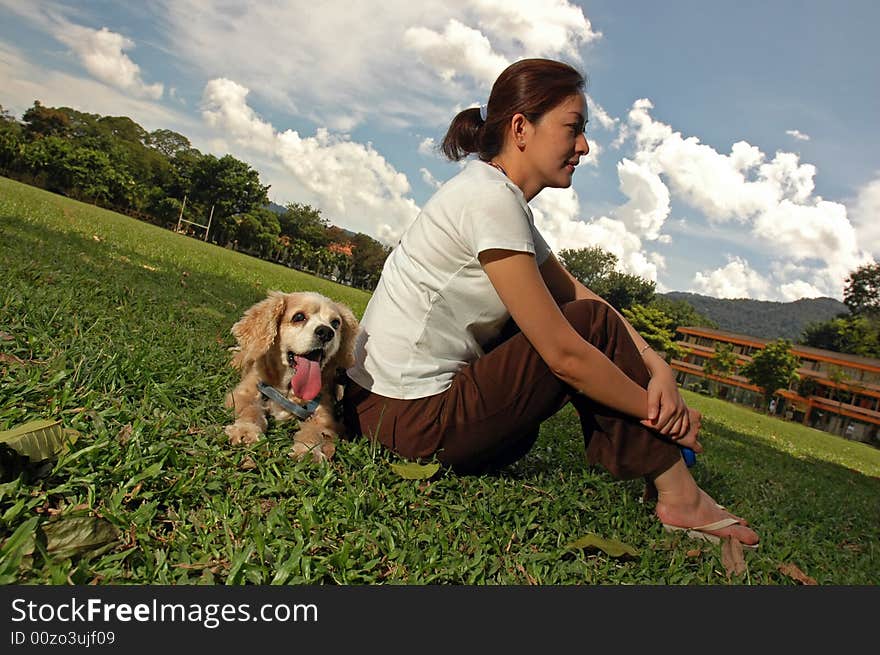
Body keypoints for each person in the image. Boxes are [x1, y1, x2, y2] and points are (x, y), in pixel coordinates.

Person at [343, 58, 758, 548]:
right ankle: (679, 496)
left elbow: (579, 294)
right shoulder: (489, 201)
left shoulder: (497, 199)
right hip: (404, 423)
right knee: (586, 329)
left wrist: (656, 363)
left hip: (381, 413)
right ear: (521, 127)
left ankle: (664, 476)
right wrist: (663, 415)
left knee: (579, 320)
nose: (583, 146)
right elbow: (569, 349)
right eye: (573, 129)